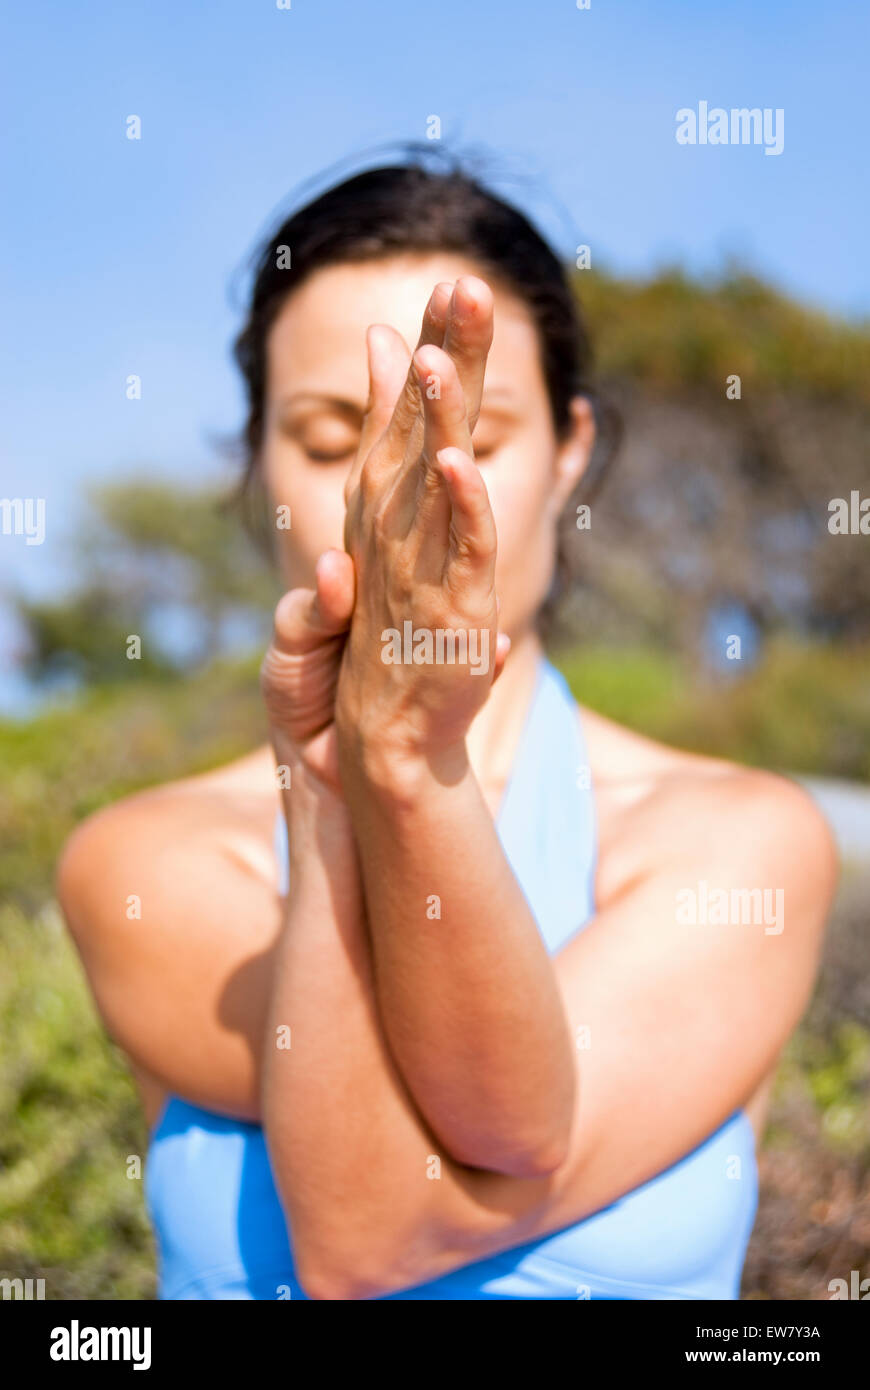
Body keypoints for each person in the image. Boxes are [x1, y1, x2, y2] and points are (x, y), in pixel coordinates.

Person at [58, 158, 837, 1300]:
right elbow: (363, 1233)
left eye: (467, 433)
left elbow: (404, 1218)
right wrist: (345, 773)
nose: (397, 490)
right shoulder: (150, 862)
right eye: (334, 440)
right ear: (256, 460)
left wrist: (400, 765)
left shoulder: (740, 845)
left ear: (571, 451)